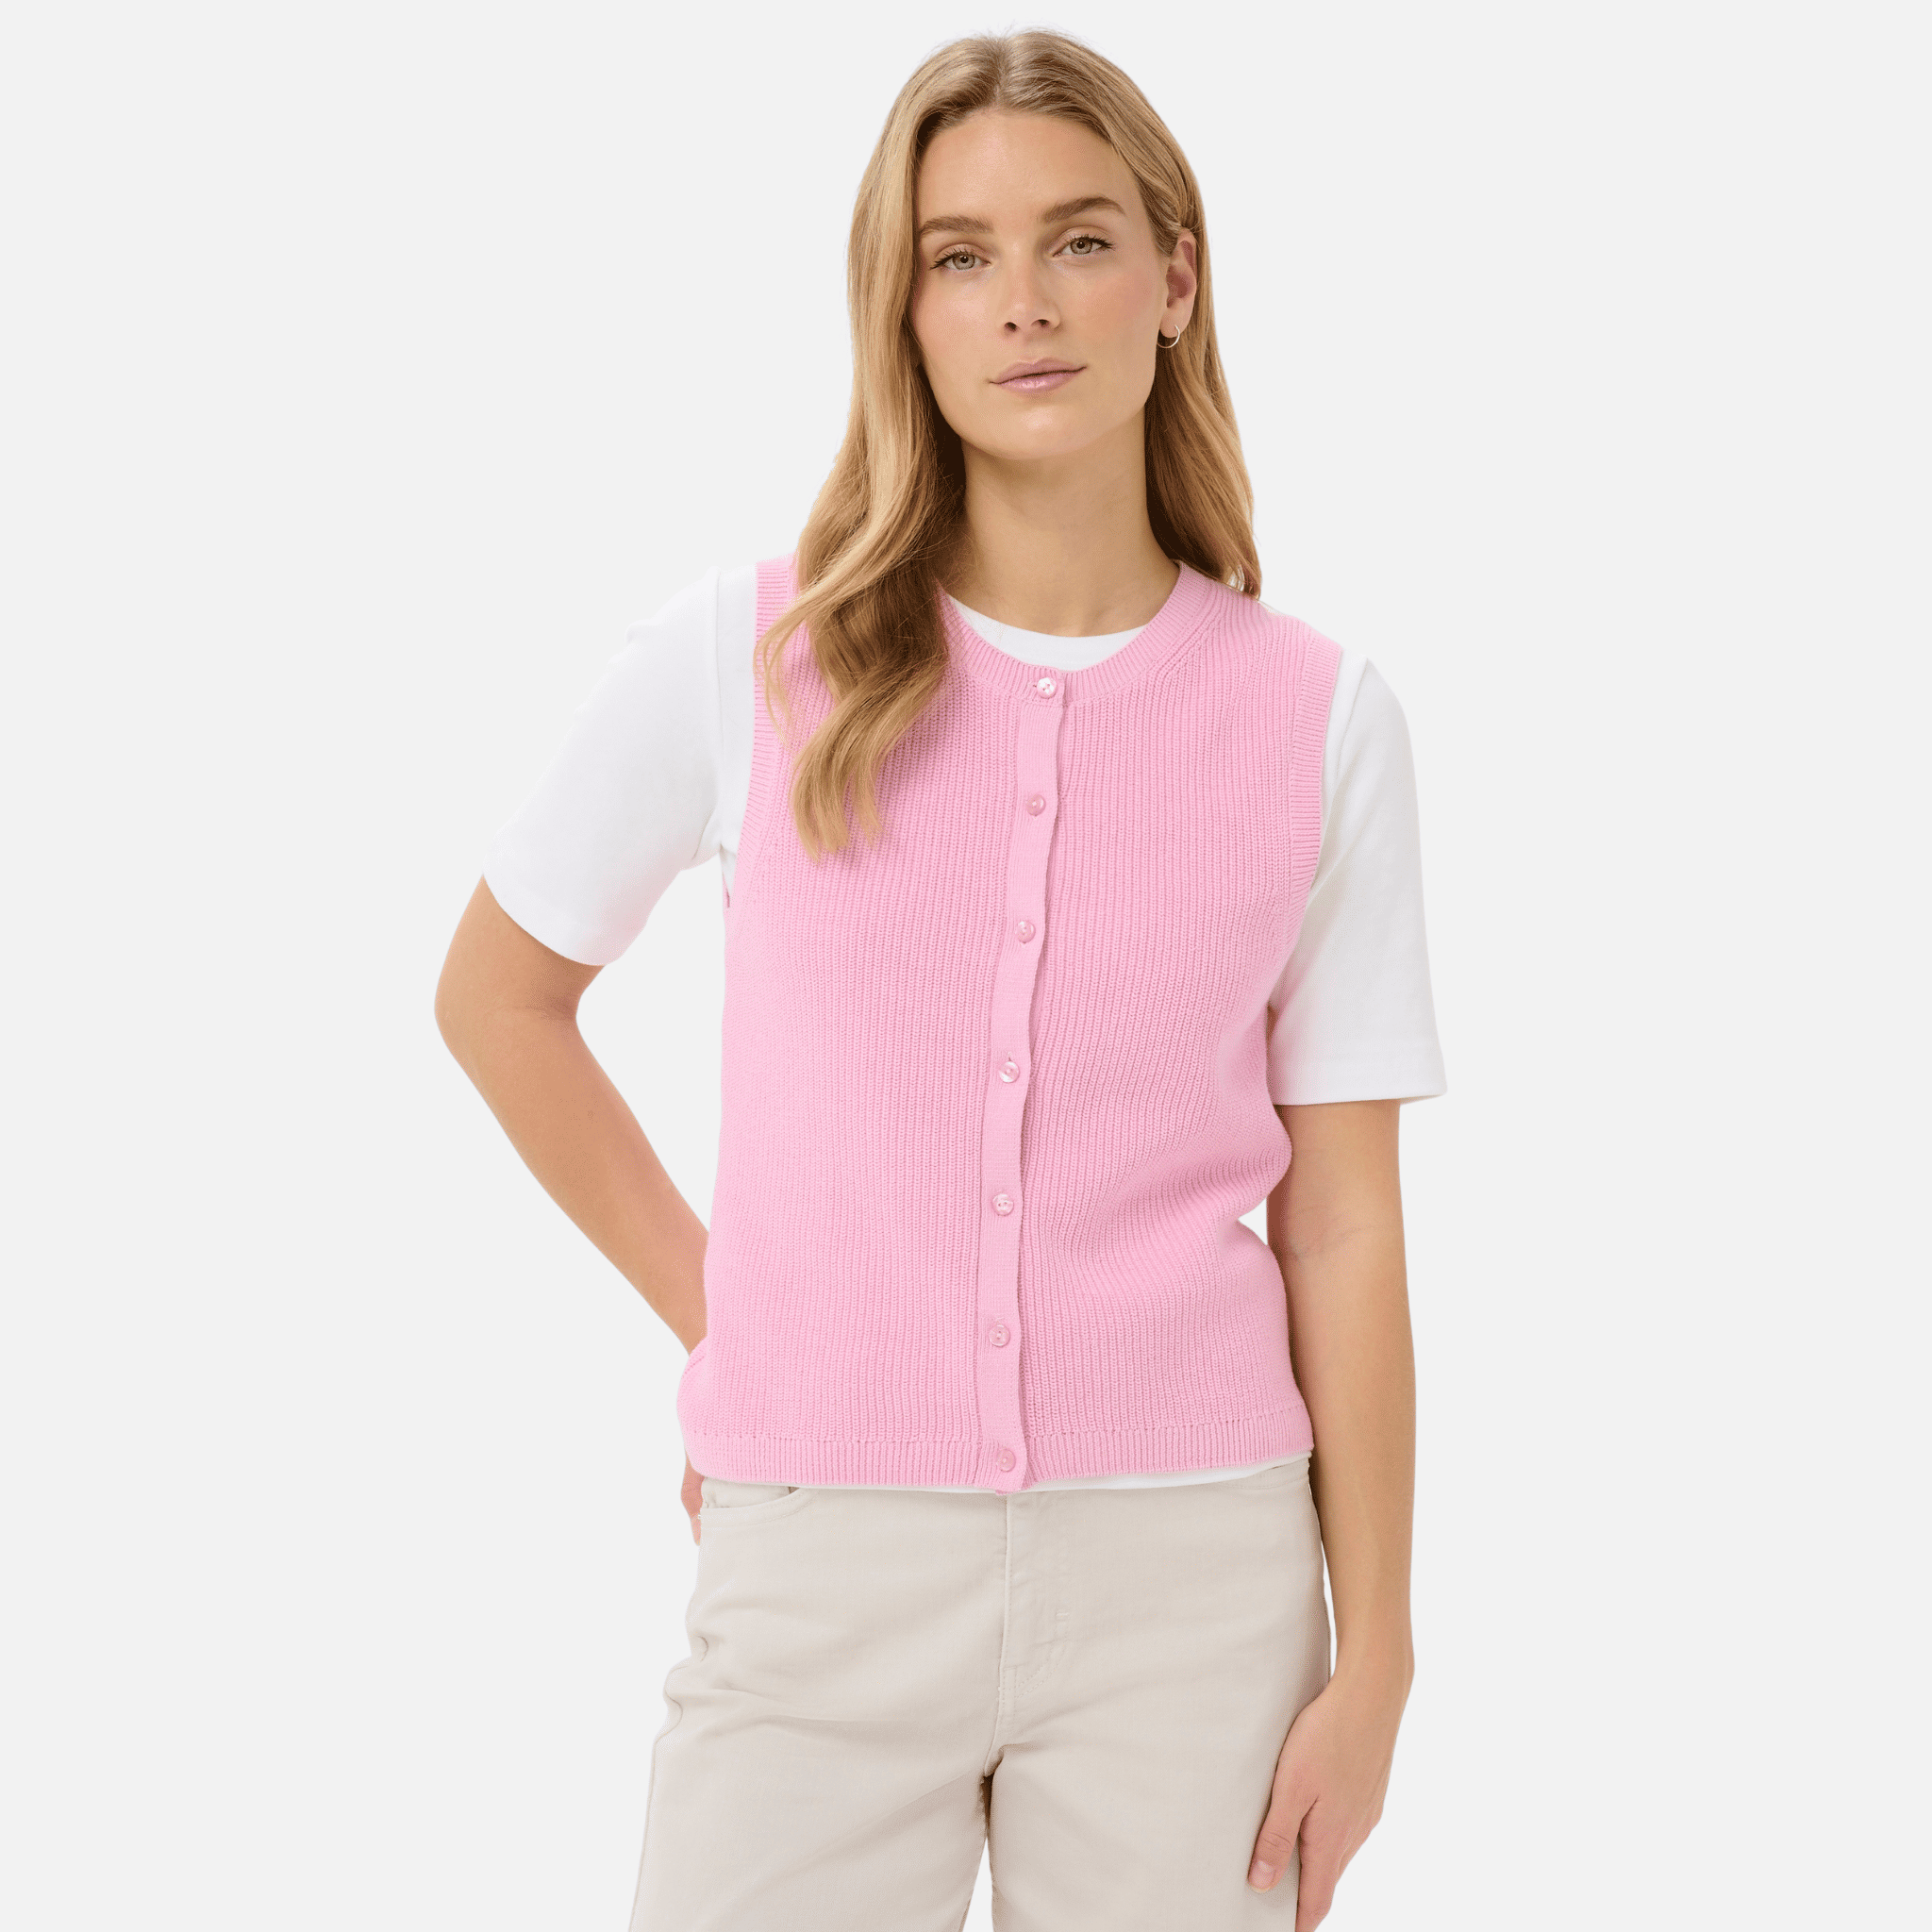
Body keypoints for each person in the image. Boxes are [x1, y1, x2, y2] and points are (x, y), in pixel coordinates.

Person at [436, 27, 1445, 1931]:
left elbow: (1344, 1221)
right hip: (817, 1559)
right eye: (959, 257)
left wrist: (1377, 1650)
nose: (1022, 302)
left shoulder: (1317, 718)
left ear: (1176, 275)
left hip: (1195, 1577)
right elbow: (497, 998)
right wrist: (729, 1314)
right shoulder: (752, 656)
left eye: (1079, 241)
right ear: (901, 311)